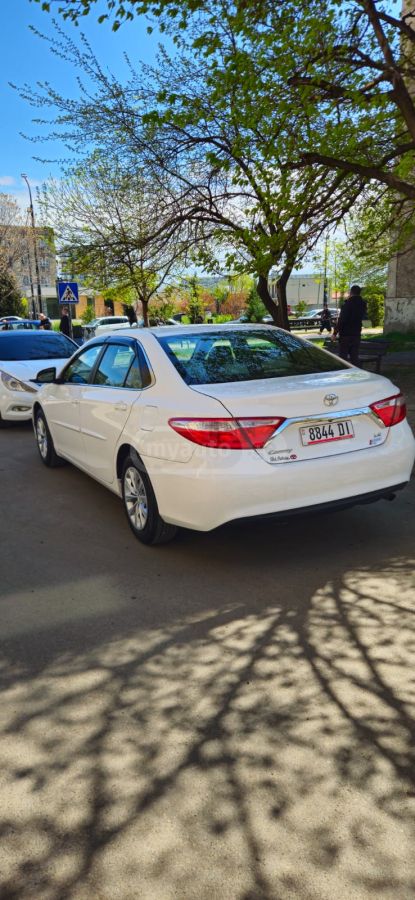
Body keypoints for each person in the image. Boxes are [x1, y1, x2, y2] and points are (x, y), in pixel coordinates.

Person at [332, 285, 366, 366]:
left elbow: (342, 320)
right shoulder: (363, 304)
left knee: (343, 358)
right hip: (356, 333)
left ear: (351, 292)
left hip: (346, 334)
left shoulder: (348, 304)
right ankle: (357, 373)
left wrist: (335, 333)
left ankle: (343, 374)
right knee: (354, 357)